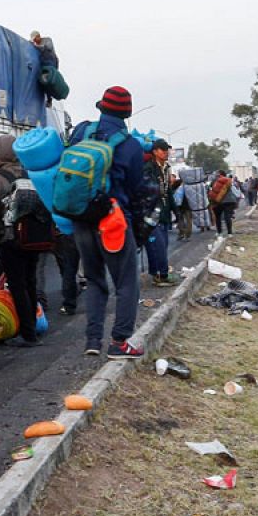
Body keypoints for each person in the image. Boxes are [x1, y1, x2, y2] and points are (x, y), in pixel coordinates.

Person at [68, 86, 147, 359]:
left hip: (81, 217)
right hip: (113, 221)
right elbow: (136, 190)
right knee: (126, 282)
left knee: (94, 279)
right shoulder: (131, 146)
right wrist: (139, 225)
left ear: (101, 107)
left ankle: (92, 341)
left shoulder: (80, 132)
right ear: (127, 113)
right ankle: (119, 343)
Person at [0, 134, 43, 348]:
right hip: (33, 238)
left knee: (17, 285)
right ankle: (33, 326)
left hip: (10, 239)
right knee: (30, 282)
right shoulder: (30, 174)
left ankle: (27, 334)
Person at [143, 138, 179, 287]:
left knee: (162, 243)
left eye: (167, 150)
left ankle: (156, 272)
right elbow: (149, 191)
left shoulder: (166, 168)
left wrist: (175, 210)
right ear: (155, 151)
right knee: (157, 243)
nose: (166, 152)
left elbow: (168, 191)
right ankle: (162, 274)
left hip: (163, 211)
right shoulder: (148, 168)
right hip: (151, 212)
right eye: (163, 150)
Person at [209, 169, 238, 235]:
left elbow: (211, 189)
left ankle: (219, 232)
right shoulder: (228, 180)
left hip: (219, 201)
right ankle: (229, 233)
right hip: (230, 200)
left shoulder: (215, 180)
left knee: (218, 217)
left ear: (219, 174)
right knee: (227, 217)